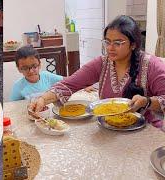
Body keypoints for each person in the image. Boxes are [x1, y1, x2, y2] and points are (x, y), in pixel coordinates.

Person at [30, 15, 165, 129]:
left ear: (133, 44)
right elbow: (69, 84)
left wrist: (147, 101)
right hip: (109, 129)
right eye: (107, 42)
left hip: (147, 132)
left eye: (118, 43)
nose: (110, 48)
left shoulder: (152, 65)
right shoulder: (102, 63)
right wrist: (42, 99)